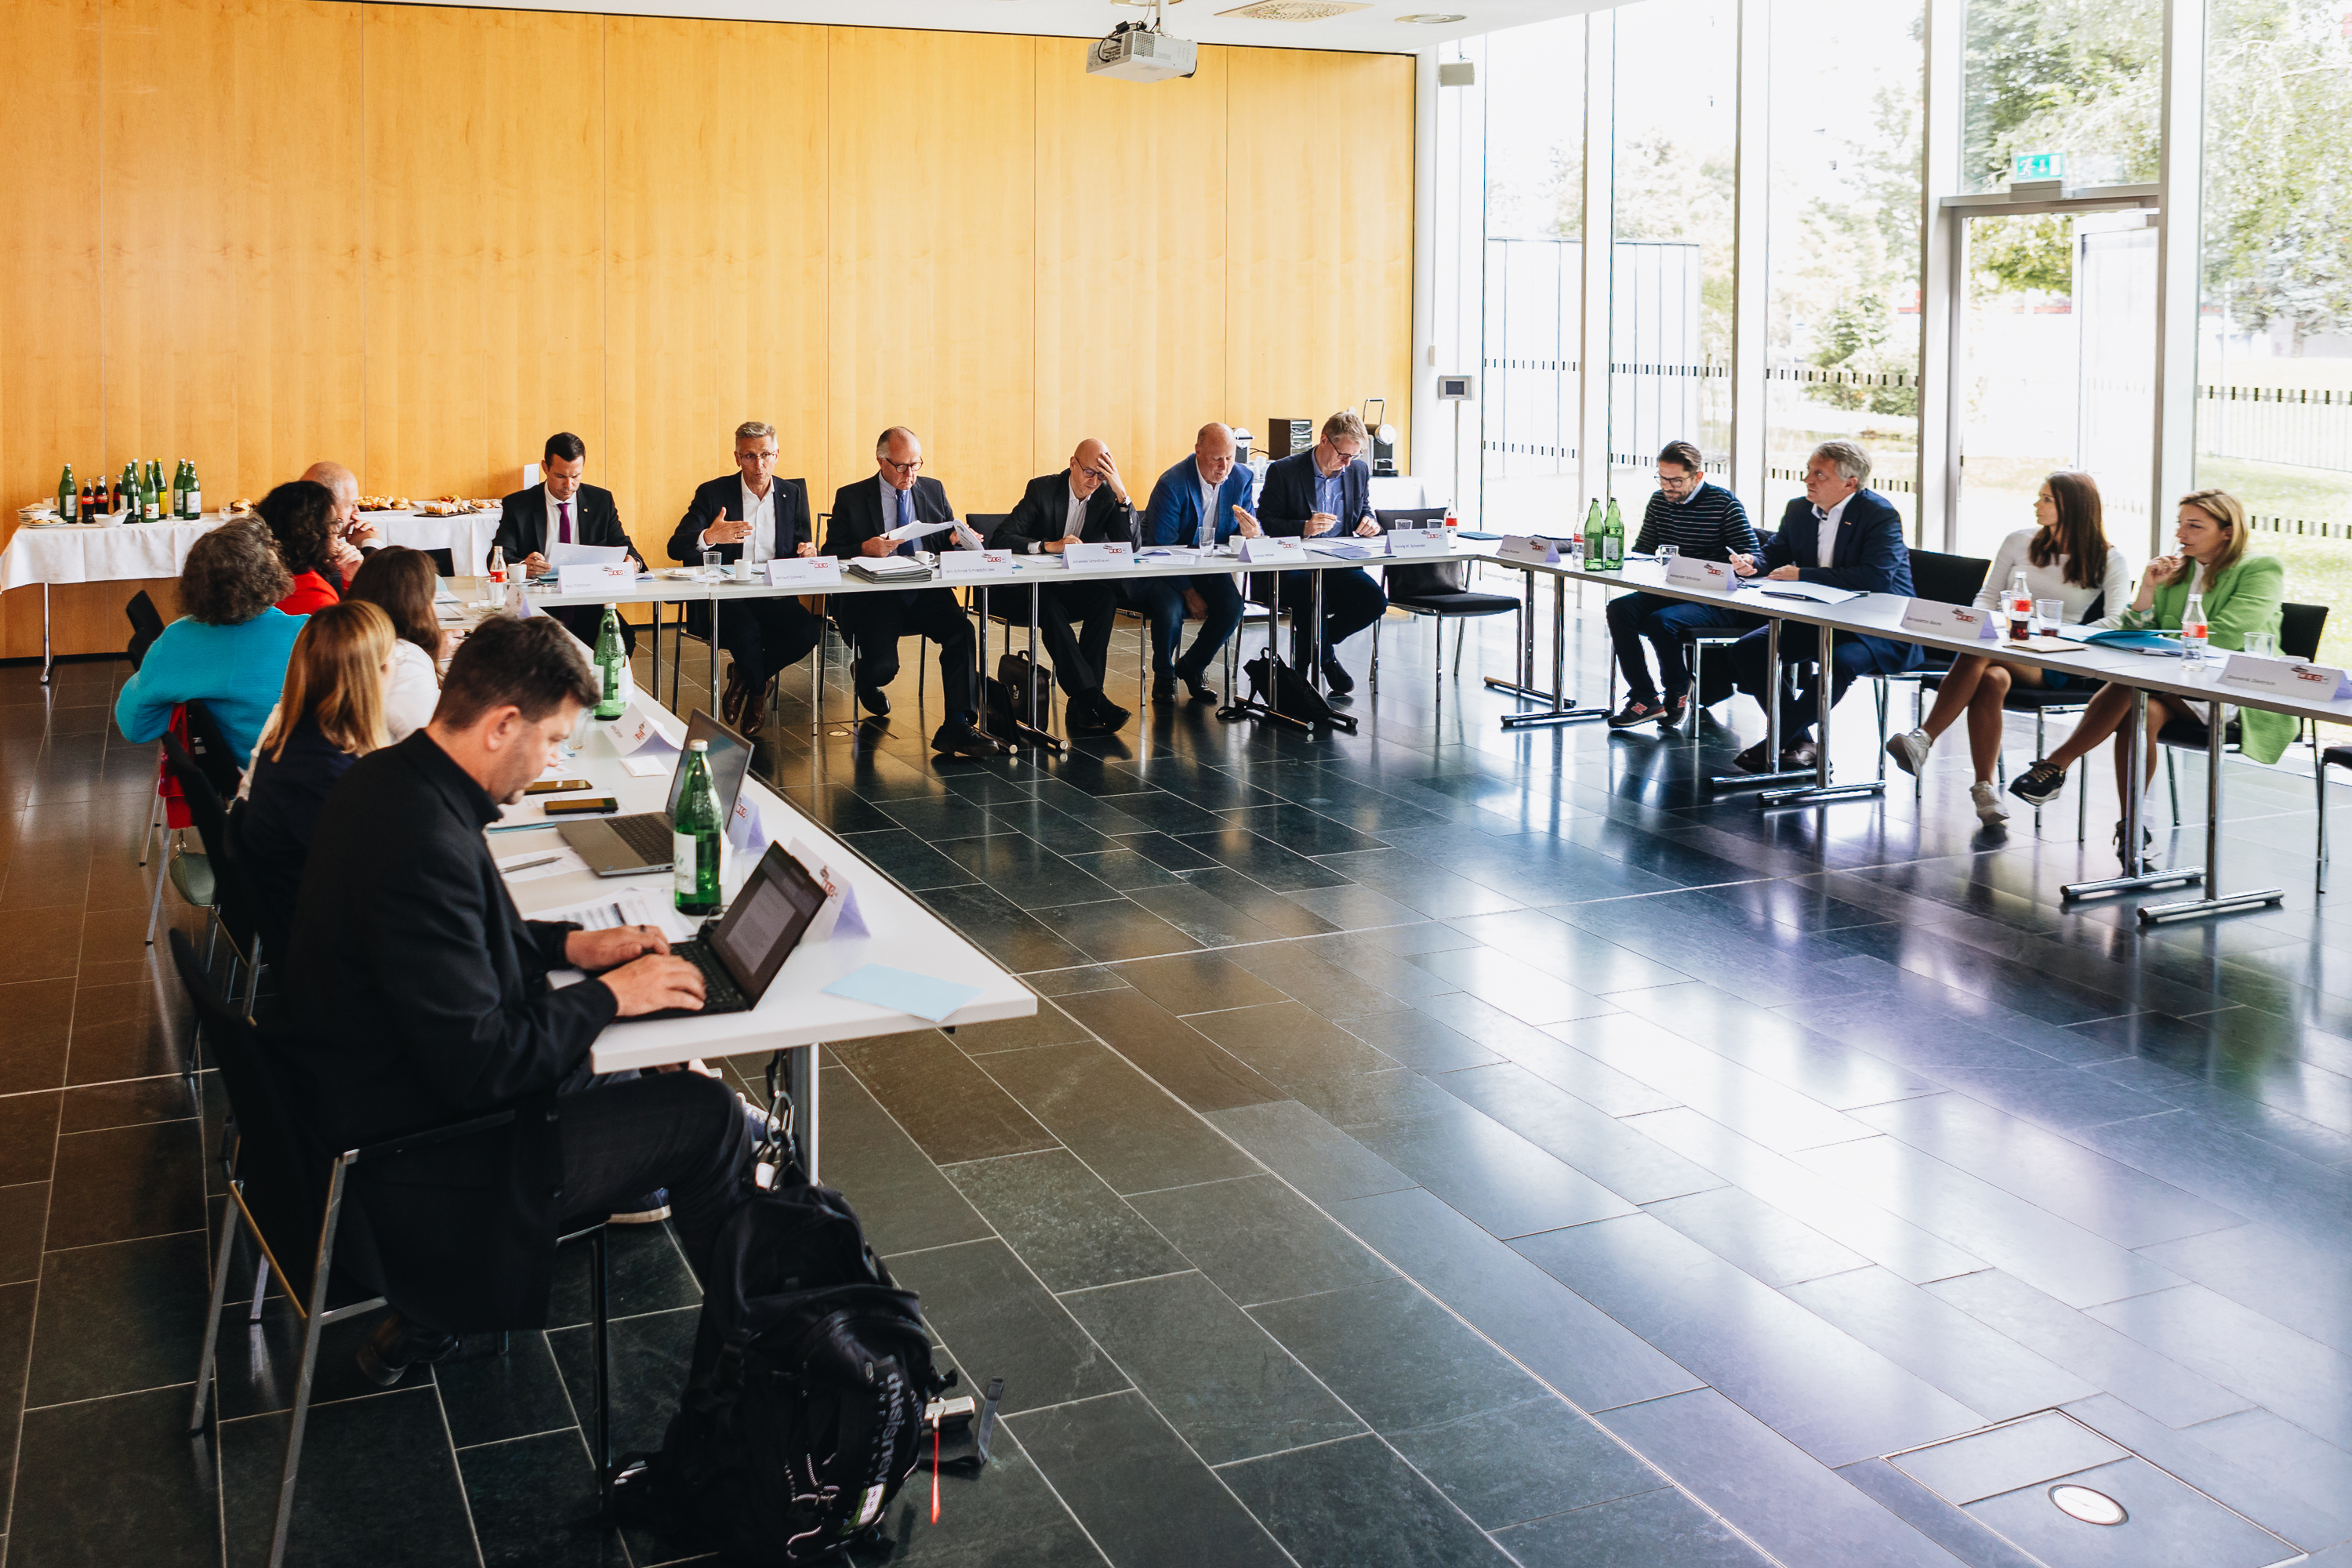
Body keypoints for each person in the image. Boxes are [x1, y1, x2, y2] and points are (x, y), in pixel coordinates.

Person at [280, 614, 750, 1374]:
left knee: (649, 1066)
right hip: (430, 1155)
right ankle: (750, 1364)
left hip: (369, 1094)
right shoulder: (426, 840)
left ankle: (434, 1314)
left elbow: (458, 937)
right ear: (502, 724)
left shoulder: (387, 781)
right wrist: (612, 995)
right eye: (554, 739)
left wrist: (571, 947)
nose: (553, 758)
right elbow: (485, 1063)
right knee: (710, 1118)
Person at [2008, 488, 2288, 867]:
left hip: (2235, 690)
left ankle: (2055, 766)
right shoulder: (2178, 570)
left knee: (2132, 688)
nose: (2181, 533)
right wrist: (2149, 587)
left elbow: (2226, 636)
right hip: (2173, 685)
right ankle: (2132, 827)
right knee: (2141, 714)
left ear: (2227, 531)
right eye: (2180, 524)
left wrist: (2163, 638)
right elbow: (2134, 628)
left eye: (2195, 526)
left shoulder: (2259, 568)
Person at [1885, 471, 2132, 823]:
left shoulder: (2109, 558)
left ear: (2074, 507)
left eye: (2047, 499)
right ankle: (1984, 789)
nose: (2037, 504)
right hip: (2005, 644)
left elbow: (2117, 620)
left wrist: (2063, 639)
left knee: (1982, 650)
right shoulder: (2019, 541)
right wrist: (1986, 625)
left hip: (2057, 657)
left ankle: (1924, 739)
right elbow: (1987, 597)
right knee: (1992, 678)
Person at [1725, 441, 1923, 772]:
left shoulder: (1879, 515)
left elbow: (1874, 577)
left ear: (1850, 483)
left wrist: (1803, 574)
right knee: (1749, 649)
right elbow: (1773, 554)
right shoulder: (1799, 510)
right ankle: (1800, 741)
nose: (1808, 479)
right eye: (1809, 470)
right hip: (1822, 618)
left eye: (1819, 474)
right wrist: (1752, 562)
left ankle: (1777, 741)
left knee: (1840, 662)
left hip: (1879, 627)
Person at [822, 427, 1003, 757]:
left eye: (916, 464)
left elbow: (942, 538)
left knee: (962, 631)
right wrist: (864, 547)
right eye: (902, 466)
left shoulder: (933, 489)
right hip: (877, 596)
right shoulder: (851, 497)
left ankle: (958, 725)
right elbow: (829, 553)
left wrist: (956, 539)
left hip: (924, 591)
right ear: (881, 461)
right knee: (884, 667)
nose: (910, 474)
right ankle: (865, 675)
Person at [230, 601, 396, 953]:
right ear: (372, 678)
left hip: (314, 918)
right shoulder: (326, 778)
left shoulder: (298, 737)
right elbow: (379, 882)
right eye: (391, 660)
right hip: (333, 946)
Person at [664, 422, 825, 737]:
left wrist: (808, 551)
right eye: (750, 456)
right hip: (726, 596)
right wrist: (710, 536)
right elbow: (676, 546)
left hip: (773, 592)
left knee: (808, 632)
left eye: (766, 455)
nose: (759, 464)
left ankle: (745, 676)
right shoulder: (713, 493)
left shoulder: (791, 493)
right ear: (737, 458)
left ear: (777, 455)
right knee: (745, 630)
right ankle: (759, 692)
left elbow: (801, 544)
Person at [114, 521, 307, 760]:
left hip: (237, 772)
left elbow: (135, 727)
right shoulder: (307, 635)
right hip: (305, 770)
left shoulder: (178, 639)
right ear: (269, 575)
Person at [1606, 441, 1763, 730]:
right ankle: (1645, 697)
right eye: (1663, 478)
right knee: (1619, 609)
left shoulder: (1724, 504)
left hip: (1716, 599)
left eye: (1676, 480)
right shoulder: (1659, 501)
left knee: (1660, 622)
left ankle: (1678, 687)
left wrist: (1747, 561)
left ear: (1697, 476)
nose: (1668, 487)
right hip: (1672, 589)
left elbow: (1755, 555)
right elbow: (1643, 550)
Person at [990, 439, 1137, 731]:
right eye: (1088, 472)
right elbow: (1001, 538)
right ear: (1073, 464)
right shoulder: (1043, 490)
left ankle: (1083, 702)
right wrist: (1048, 546)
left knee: (1105, 598)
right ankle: (1094, 699)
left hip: (1068, 585)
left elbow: (1130, 546)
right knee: (1049, 607)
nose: (1093, 481)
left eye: (1102, 475)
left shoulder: (1106, 495)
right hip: (1025, 589)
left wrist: (1122, 494)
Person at [1247, 411, 1387, 697]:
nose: (1347, 464)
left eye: (1354, 456)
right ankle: (1326, 659)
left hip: (1338, 563)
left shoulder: (1357, 471)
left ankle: (1314, 648)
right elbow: (1266, 522)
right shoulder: (1284, 471)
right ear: (1324, 441)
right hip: (1291, 566)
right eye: (1343, 455)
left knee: (1375, 601)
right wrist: (1304, 528)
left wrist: (1370, 522)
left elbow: (1364, 509)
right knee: (1310, 593)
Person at [1133, 423, 1257, 702]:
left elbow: (1243, 531)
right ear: (1198, 451)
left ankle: (1192, 666)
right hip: (1164, 567)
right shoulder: (1172, 483)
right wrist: (1189, 593)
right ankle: (1164, 675)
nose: (1224, 467)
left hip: (1207, 565)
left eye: (1230, 458)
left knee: (1233, 606)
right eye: (1216, 459)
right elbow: (1163, 547)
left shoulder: (1242, 478)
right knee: (1170, 608)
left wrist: (1252, 533)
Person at [495, 432, 644, 652]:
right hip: (539, 605)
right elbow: (499, 555)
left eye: (576, 476)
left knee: (624, 640)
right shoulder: (519, 505)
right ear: (545, 468)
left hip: (587, 601)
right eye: (560, 476)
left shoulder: (600, 501)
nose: (569, 484)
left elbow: (623, 545)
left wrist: (633, 562)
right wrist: (523, 566)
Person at [345, 545, 447, 742]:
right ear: (418, 604)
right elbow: (428, 741)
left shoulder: (351, 642)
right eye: (432, 598)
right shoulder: (405, 659)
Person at [256, 480, 344, 614]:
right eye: (334, 523)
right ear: (314, 533)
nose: (337, 532)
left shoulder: (250, 580)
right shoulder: (318, 600)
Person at [299, 459, 372, 586]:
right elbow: (372, 595)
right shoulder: (311, 564)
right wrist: (370, 546)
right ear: (327, 507)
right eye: (351, 505)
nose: (357, 512)